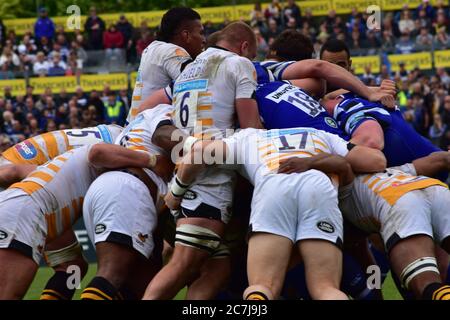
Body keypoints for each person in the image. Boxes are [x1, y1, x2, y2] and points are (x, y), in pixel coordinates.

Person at [164, 126, 386, 300]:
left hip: (273, 184)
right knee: (325, 288)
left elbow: (200, 152)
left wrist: (176, 192)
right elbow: (377, 160)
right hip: (318, 186)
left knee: (263, 286)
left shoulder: (248, 137)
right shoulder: (320, 134)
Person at [142, 21, 261, 300]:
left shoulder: (188, 69)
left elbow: (148, 108)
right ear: (244, 46)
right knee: (184, 264)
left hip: (184, 165)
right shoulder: (239, 64)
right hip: (212, 173)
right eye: (252, 53)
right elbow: (251, 129)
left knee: (217, 268)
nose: (251, 60)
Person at [0, 142, 168, 299]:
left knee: (75, 269)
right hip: (26, 209)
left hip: (45, 214)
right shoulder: (116, 139)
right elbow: (97, 152)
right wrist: (152, 161)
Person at [81, 106, 174, 300]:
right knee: (111, 274)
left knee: (138, 284)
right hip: (128, 190)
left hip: (109, 190)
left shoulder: (134, 124)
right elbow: (97, 152)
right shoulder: (166, 113)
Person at [127, 7, 205, 123]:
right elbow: (201, 85)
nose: (204, 39)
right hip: (149, 132)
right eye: (201, 33)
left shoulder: (152, 48)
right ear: (186, 35)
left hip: (135, 126)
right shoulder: (173, 52)